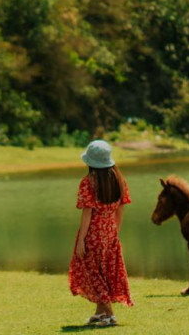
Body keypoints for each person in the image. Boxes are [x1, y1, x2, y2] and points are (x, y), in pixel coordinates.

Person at [68, 139, 133, 326]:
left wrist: (82, 240)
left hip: (93, 233)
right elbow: (120, 209)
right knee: (104, 270)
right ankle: (100, 312)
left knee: (92, 270)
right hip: (110, 230)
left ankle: (110, 314)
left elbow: (87, 213)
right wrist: (114, 231)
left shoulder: (88, 182)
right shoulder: (119, 180)